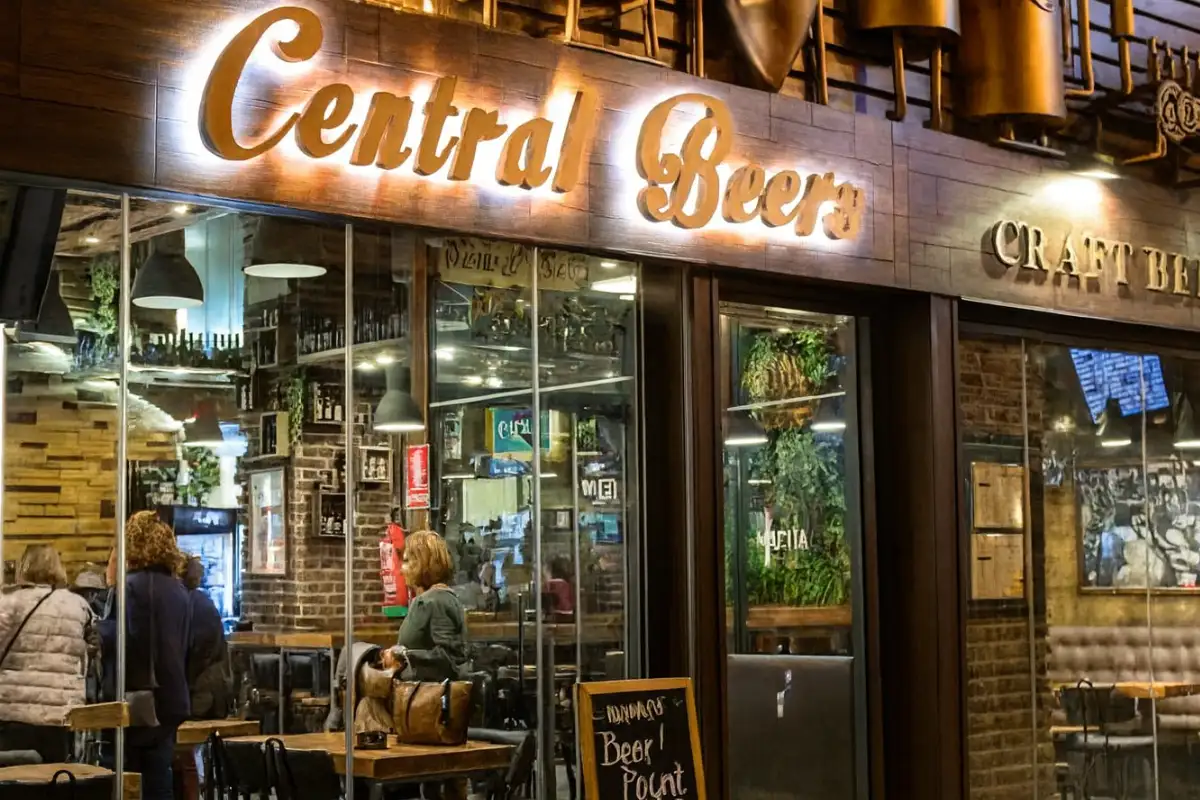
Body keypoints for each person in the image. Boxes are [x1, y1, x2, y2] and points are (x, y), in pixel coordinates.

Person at [100, 511, 191, 800]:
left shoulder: (129, 588)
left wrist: (110, 587)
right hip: (172, 699)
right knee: (158, 779)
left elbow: (117, 641)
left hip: (136, 702)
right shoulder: (179, 591)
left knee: (124, 782)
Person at [0, 545, 94, 762]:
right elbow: (84, 661)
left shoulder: (8, 602)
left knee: (13, 781)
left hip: (12, 713)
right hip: (59, 715)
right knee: (54, 781)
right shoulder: (77, 605)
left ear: (24, 567)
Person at [380, 530, 468, 681]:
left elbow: (448, 658)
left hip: (428, 697)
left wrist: (401, 654)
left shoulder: (437, 601)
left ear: (423, 563)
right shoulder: (430, 599)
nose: (401, 570)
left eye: (407, 561)